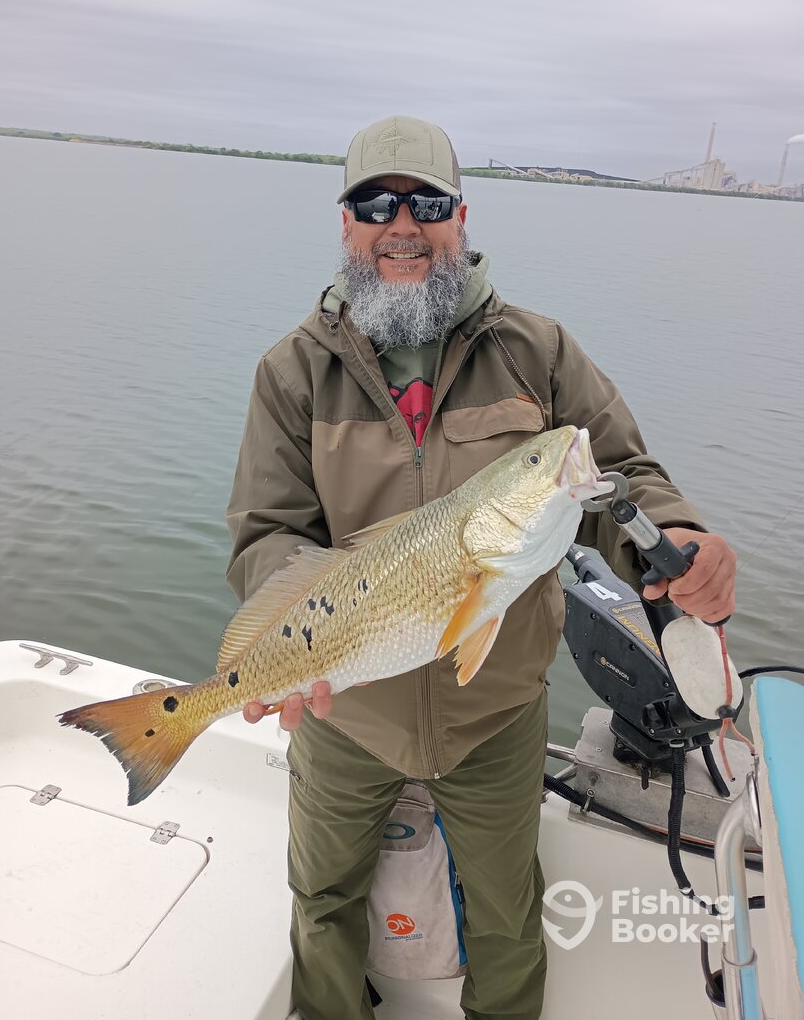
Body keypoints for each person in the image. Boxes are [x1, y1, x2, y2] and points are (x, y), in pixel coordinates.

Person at [225, 115, 736, 1020]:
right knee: (323, 903)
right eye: (374, 205)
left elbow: (622, 476)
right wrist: (290, 642)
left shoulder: (538, 352)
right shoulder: (292, 372)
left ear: (460, 218)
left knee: (507, 917)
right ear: (344, 223)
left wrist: (678, 538)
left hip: (495, 712)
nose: (402, 226)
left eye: (426, 205)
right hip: (347, 715)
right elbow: (268, 531)